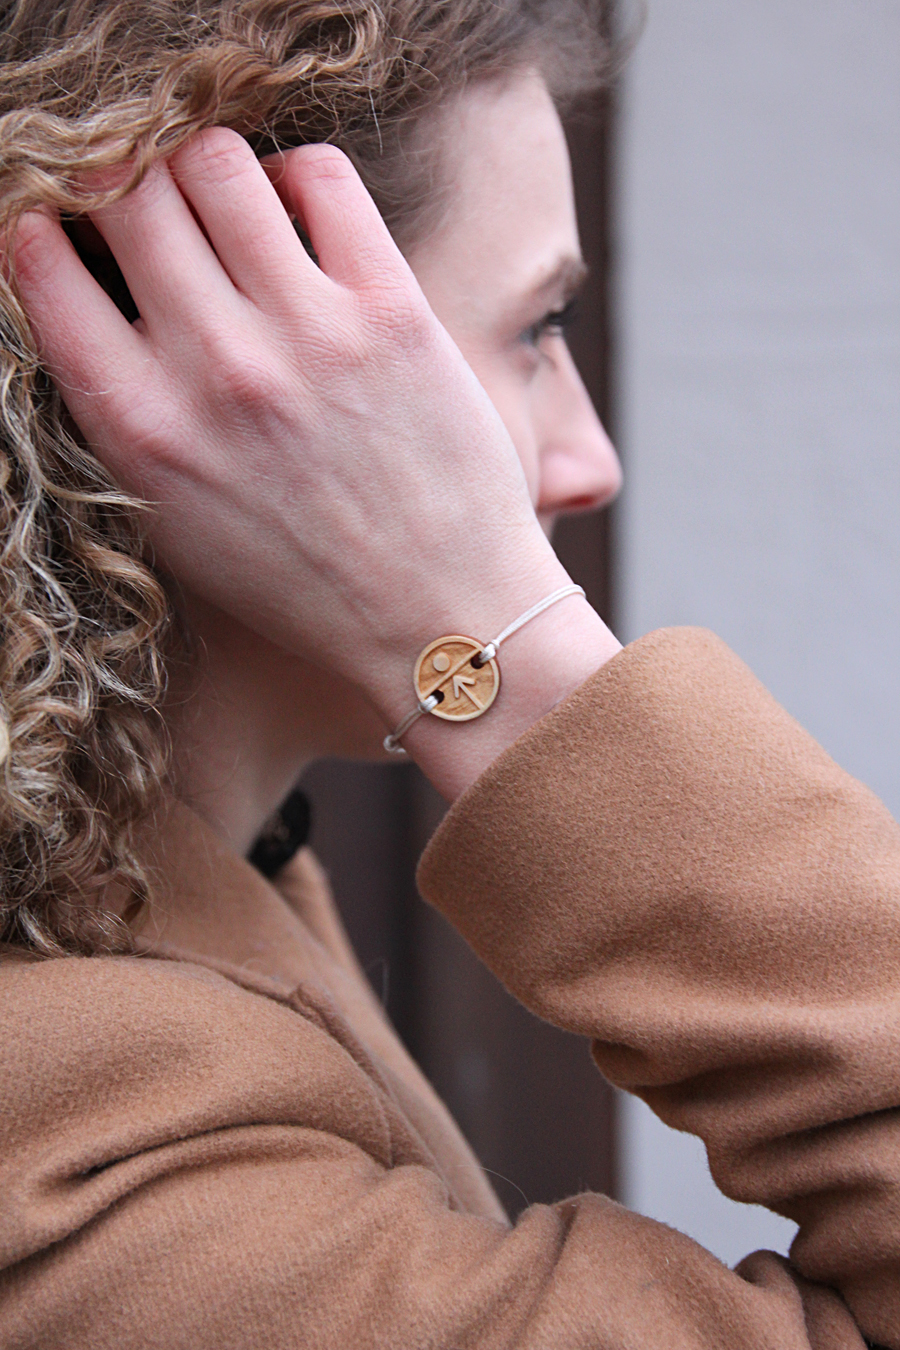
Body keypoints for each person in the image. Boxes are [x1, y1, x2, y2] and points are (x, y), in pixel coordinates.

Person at [0, 1, 897, 1347]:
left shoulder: (189, 905)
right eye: (539, 326)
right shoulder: (88, 1146)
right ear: (220, 367)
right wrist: (487, 628)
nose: (589, 458)